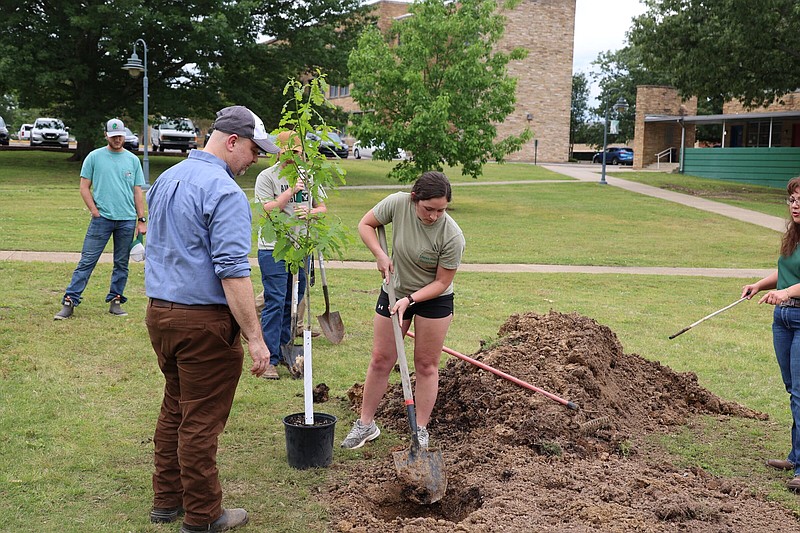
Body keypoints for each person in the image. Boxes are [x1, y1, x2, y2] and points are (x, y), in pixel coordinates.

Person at [144, 105, 277, 532]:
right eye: (254, 150)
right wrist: (255, 339)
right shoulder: (225, 192)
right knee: (200, 420)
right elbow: (233, 271)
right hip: (203, 324)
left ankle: (167, 500)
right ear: (232, 141)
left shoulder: (167, 178)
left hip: (160, 315)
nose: (256, 160)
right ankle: (203, 515)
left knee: (175, 407)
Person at [341, 171, 465, 450]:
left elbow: (443, 281)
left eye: (441, 210)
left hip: (433, 298)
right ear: (414, 199)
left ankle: (420, 429)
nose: (434, 216)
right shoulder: (398, 203)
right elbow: (366, 224)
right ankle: (365, 424)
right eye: (428, 209)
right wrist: (380, 254)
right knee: (381, 358)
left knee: (426, 364)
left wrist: (410, 300)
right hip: (394, 289)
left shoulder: (452, 236)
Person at [54, 118, 146, 320]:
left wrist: (141, 220)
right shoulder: (94, 157)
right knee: (87, 261)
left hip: (127, 220)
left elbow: (137, 192)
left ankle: (116, 301)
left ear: (124, 135)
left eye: (120, 136)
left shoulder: (132, 160)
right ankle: (70, 301)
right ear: (106, 135)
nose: (117, 139)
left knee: (121, 263)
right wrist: (95, 211)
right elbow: (84, 187)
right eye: (113, 136)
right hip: (101, 219)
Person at [742, 175, 800, 493]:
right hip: (784, 319)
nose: (795, 205)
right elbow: (786, 269)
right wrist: (760, 284)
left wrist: (786, 292)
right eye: (792, 199)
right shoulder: (793, 235)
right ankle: (796, 456)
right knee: (795, 391)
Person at [254, 130, 327, 379]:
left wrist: (313, 214)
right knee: (274, 301)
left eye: (298, 152)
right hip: (273, 248)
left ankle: (286, 352)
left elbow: (322, 207)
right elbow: (267, 210)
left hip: (301, 248)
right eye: (289, 153)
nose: (294, 158)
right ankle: (269, 360)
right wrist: (290, 191)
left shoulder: (309, 176)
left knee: (292, 301)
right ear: (279, 152)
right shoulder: (267, 177)